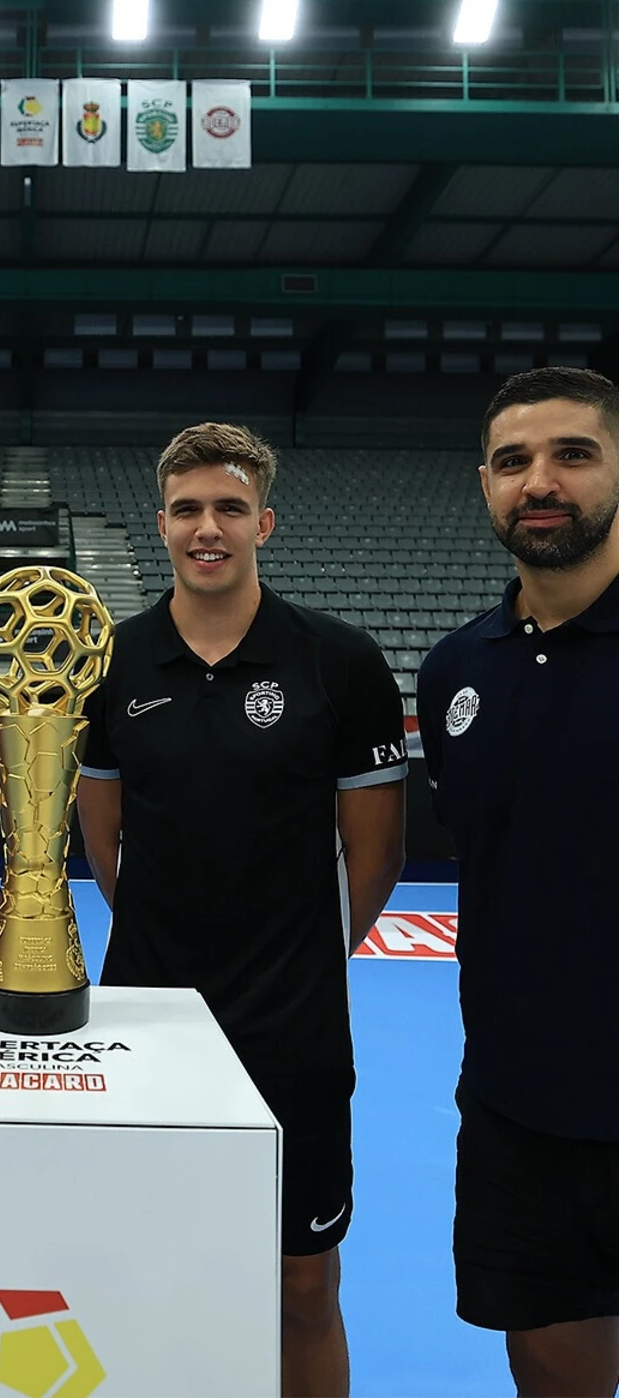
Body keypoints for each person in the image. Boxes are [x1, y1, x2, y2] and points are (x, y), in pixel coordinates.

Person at [76, 422, 407, 1398]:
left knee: (303, 1286)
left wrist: (300, 955)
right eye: (187, 510)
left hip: (295, 1030)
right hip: (149, 1024)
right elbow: (103, 841)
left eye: (229, 508)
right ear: (162, 525)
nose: (207, 528)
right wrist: (167, 938)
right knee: (144, 1269)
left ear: (264, 522)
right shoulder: (114, 659)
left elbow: (377, 856)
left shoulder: (339, 661)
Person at [417, 367, 619, 1398]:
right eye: (513, 462)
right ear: (486, 485)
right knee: (551, 1374)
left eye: (573, 454)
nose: (540, 482)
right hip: (517, 1109)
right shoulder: (457, 670)